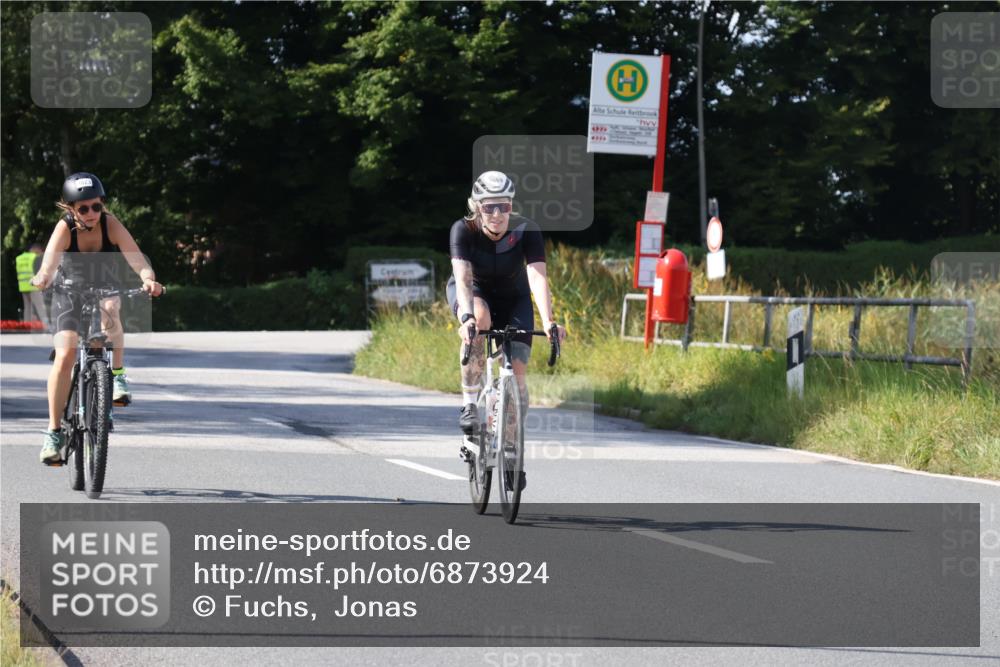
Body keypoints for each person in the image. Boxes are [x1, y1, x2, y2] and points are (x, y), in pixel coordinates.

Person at [31, 172, 164, 464]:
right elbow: (49, 265)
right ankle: (54, 432)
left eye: (96, 206)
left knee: (111, 307)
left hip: (104, 287)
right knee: (65, 355)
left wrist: (148, 278)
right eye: (83, 208)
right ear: (70, 209)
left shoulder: (110, 223)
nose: (91, 213)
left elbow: (137, 258)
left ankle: (116, 376)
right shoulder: (65, 229)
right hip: (69, 292)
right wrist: (42, 277)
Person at [447, 170, 567, 442]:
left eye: (505, 206)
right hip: (474, 291)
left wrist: (549, 321)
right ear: (477, 207)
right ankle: (469, 403)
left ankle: (511, 452)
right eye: (490, 207)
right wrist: (466, 319)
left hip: (515, 297)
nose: (498, 214)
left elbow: (536, 275)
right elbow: (463, 278)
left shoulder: (526, 229)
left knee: (518, 374)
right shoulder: (463, 229)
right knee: (480, 319)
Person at [16, 242, 50, 330]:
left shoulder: (19, 258)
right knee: (40, 307)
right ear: (36, 249)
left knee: (27, 308)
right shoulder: (34, 257)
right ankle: (46, 327)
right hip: (33, 286)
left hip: (23, 286)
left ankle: (26, 327)